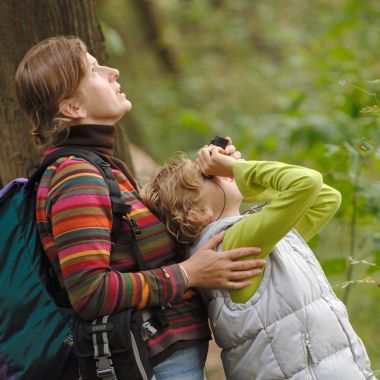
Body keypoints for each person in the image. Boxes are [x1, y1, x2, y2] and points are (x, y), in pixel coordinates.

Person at [14, 36, 265, 380]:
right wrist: (189, 274)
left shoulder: (103, 167)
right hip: (153, 364)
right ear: (72, 107)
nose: (113, 71)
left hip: (167, 358)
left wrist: (215, 182)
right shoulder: (76, 177)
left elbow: (145, 250)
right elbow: (90, 292)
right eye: (93, 71)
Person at [141, 147, 377, 380]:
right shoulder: (232, 242)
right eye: (207, 175)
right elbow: (308, 182)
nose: (219, 172)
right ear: (197, 213)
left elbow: (326, 198)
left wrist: (240, 180)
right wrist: (237, 169)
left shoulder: (255, 237)